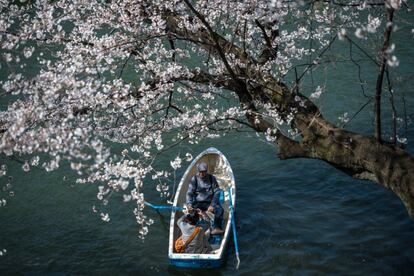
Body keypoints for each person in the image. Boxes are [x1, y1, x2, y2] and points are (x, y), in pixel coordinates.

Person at [186, 162, 224, 235]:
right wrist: (189, 204)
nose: (203, 174)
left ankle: (216, 228)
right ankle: (192, 229)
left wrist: (212, 205)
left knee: (219, 210)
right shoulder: (194, 179)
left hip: (209, 202)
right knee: (191, 214)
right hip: (198, 203)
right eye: (201, 172)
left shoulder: (211, 178)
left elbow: (217, 192)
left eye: (204, 172)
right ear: (198, 171)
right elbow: (189, 193)